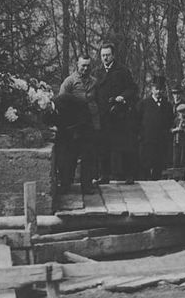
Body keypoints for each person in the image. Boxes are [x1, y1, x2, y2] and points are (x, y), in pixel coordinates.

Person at [95, 42, 138, 184]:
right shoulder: (97, 72)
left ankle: (129, 175)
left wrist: (123, 97)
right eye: (103, 55)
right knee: (103, 146)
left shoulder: (123, 71)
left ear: (113, 55)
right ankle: (104, 175)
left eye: (107, 55)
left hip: (120, 115)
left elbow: (132, 89)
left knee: (124, 146)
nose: (105, 58)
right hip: (104, 115)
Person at [57, 53, 100, 193]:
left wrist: (97, 124)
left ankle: (87, 185)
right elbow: (61, 101)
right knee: (71, 155)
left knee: (88, 156)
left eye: (88, 66)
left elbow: (98, 101)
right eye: (83, 66)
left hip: (89, 123)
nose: (85, 69)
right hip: (74, 125)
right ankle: (66, 185)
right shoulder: (69, 81)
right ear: (77, 65)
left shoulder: (94, 82)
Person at [137, 76, 173, 180]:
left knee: (159, 166)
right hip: (147, 140)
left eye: (161, 89)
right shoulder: (143, 104)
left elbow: (170, 121)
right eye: (156, 89)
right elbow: (137, 121)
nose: (158, 91)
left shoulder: (167, 105)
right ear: (152, 89)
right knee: (145, 165)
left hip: (161, 141)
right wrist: (141, 135)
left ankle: (156, 181)